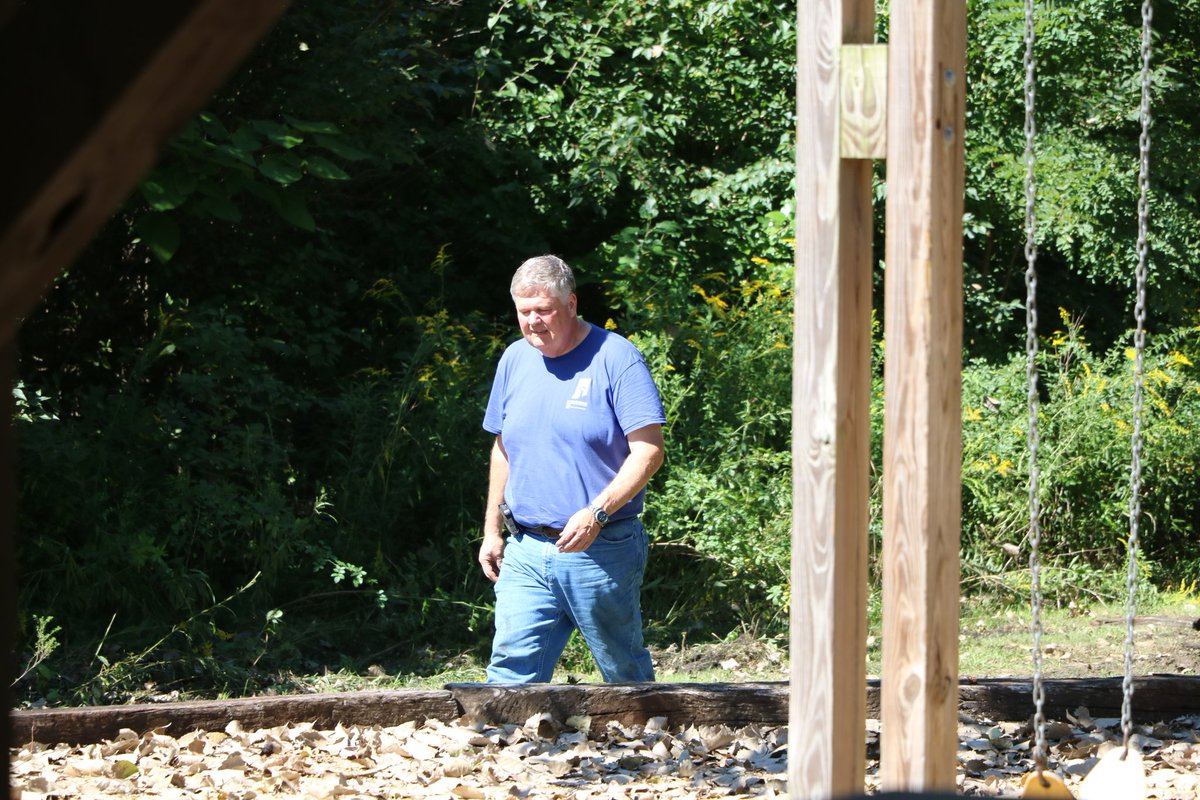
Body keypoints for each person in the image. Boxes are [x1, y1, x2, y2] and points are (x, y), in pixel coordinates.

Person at [478, 254, 666, 683]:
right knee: (510, 671)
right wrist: (492, 530)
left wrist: (597, 512)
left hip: (602, 547)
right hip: (525, 547)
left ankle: (647, 728)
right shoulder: (514, 359)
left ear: (571, 304)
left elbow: (649, 451)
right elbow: (503, 449)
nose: (533, 322)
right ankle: (505, 730)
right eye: (524, 311)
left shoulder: (617, 358)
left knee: (623, 674)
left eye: (543, 310)